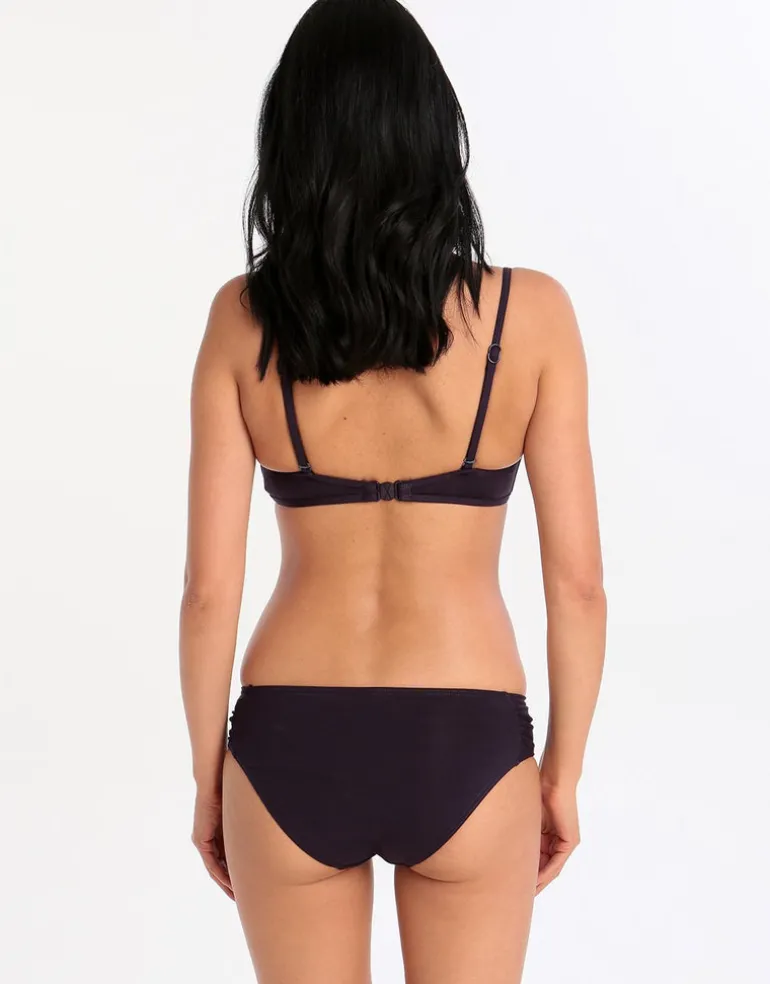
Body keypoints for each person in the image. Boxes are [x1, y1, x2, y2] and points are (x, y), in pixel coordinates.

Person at [179, 1, 606, 981]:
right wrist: (563, 774)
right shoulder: (531, 315)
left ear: (292, 143)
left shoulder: (243, 320)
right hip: (468, 742)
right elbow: (578, 586)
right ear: (432, 134)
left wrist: (208, 780)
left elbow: (208, 591)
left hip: (288, 739)